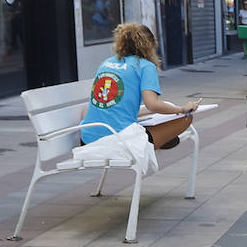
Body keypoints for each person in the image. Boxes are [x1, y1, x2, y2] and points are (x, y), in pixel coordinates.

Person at [80, 23, 198, 151]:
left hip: (87, 140)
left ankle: (161, 139)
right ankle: (162, 140)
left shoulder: (106, 63)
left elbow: (95, 107)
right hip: (118, 142)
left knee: (148, 124)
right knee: (185, 119)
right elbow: (152, 105)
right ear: (150, 45)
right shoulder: (145, 66)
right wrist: (181, 109)